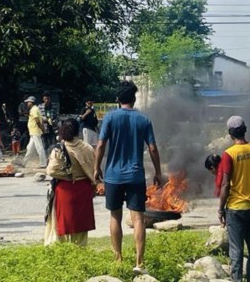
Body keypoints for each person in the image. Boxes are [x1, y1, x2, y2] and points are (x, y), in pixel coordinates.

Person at [94, 81, 162, 275]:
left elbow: (100, 146)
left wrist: (96, 168)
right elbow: (153, 148)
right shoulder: (143, 120)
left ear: (117, 99)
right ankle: (139, 263)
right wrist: (158, 171)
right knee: (138, 218)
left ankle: (118, 258)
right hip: (135, 176)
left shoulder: (109, 118)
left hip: (113, 176)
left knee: (115, 216)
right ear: (133, 98)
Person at [217, 116, 250, 281]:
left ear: (230, 133)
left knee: (236, 250)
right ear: (245, 130)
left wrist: (220, 209)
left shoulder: (229, 154)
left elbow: (225, 185)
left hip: (236, 209)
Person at [44, 119, 97, 246]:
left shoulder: (59, 149)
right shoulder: (87, 148)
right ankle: (80, 255)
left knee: (61, 226)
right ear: (78, 130)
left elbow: (51, 170)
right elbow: (93, 169)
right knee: (81, 227)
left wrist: (68, 175)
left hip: (64, 190)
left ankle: (61, 255)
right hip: (83, 189)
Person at [23, 96, 47, 168]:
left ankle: (43, 163)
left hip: (35, 130)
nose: (27, 103)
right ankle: (25, 162)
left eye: (28, 102)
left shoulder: (34, 109)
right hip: (33, 131)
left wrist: (42, 129)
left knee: (39, 147)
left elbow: (37, 120)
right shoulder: (34, 109)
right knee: (29, 147)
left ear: (31, 102)